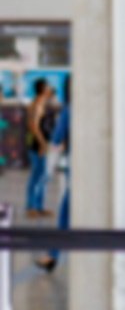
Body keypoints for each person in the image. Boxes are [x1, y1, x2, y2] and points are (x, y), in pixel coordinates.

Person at [36, 78, 70, 272]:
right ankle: (52, 254)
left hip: (76, 171)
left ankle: (52, 255)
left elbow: (57, 139)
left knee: (65, 214)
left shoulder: (69, 109)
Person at [24, 78, 54, 219]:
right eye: (48, 86)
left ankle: (39, 206)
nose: (50, 88)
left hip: (42, 145)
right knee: (36, 176)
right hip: (37, 146)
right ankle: (31, 207)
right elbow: (34, 127)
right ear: (43, 89)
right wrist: (42, 144)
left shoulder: (42, 103)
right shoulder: (37, 104)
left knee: (42, 176)